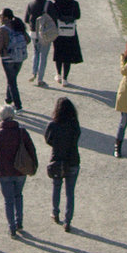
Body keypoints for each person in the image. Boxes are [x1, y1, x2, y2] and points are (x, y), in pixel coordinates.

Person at [0, 106, 38, 237]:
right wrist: (34, 165)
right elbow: (31, 149)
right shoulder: (22, 132)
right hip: (21, 170)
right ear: (13, 116)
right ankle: (19, 222)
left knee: (8, 200)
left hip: (4, 172)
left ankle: (12, 227)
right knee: (18, 196)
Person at [44, 97, 83, 230]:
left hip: (57, 160)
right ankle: (68, 221)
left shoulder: (53, 125)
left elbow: (48, 140)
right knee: (70, 193)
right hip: (72, 160)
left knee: (56, 187)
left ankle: (55, 213)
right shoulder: (74, 124)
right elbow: (77, 137)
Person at [48, 0, 84, 86]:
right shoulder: (74, 4)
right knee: (68, 55)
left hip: (59, 32)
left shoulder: (56, 5)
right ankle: (65, 78)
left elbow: (53, 16)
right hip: (71, 32)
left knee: (58, 53)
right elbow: (78, 16)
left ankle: (58, 74)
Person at [0, 7, 28, 112]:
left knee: (12, 81)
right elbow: (28, 39)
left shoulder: (3, 29)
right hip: (19, 58)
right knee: (12, 79)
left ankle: (18, 106)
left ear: (5, 17)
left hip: (7, 58)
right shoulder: (18, 25)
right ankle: (8, 99)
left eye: (0, 16)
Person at [24, 0, 56, 86]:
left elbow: (26, 19)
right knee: (43, 56)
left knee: (35, 53)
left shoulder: (30, 4)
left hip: (33, 32)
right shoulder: (49, 4)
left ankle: (34, 72)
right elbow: (54, 18)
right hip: (44, 33)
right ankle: (40, 78)